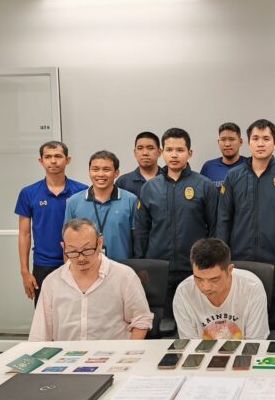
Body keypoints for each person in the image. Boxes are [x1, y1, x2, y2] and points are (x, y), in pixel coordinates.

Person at [216, 119, 275, 333]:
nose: (261, 143)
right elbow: (224, 220)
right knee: (239, 318)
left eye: (266, 139)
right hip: (238, 264)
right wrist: (222, 261)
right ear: (248, 143)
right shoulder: (234, 177)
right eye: (256, 138)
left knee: (274, 319)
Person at [135, 127, 218, 318]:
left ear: (189, 153)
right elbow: (141, 230)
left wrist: (210, 263)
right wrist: (142, 264)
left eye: (180, 150)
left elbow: (214, 228)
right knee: (163, 321)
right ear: (161, 152)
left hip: (195, 266)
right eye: (169, 150)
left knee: (198, 317)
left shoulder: (204, 185)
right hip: (159, 267)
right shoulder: (150, 188)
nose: (174, 155)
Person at [28, 218, 153, 341]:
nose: (81, 258)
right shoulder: (52, 282)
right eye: (73, 251)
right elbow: (40, 334)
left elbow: (141, 319)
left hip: (112, 356)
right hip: (67, 357)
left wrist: (127, 355)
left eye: (87, 250)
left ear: (99, 243)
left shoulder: (124, 276)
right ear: (63, 247)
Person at [15, 141, 87, 304]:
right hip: (43, 265)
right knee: (45, 317)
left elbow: (88, 230)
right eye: (48, 157)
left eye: (58, 156)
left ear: (67, 160)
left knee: (76, 315)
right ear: (41, 161)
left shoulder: (82, 191)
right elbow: (24, 234)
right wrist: (25, 272)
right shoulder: (28, 193)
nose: (53, 161)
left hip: (77, 263)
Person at [173, 238, 269, 340]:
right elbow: (189, 345)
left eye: (214, 279)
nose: (206, 287)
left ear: (230, 270)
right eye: (198, 278)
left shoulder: (252, 287)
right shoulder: (184, 292)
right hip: (201, 354)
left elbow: (255, 343)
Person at [64, 150, 137, 260]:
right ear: (89, 171)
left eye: (106, 169)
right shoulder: (74, 201)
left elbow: (137, 239)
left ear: (116, 173)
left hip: (122, 268)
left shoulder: (130, 200)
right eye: (95, 169)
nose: (100, 174)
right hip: (85, 267)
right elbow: (67, 241)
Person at [199, 122, 246, 190]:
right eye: (223, 139)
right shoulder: (208, 167)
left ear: (240, 142)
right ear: (218, 142)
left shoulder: (249, 165)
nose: (227, 144)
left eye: (231, 139)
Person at [116, 131, 163, 198]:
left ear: (159, 152)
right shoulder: (123, 182)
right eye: (140, 148)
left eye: (150, 148)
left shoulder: (168, 179)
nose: (145, 153)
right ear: (135, 153)